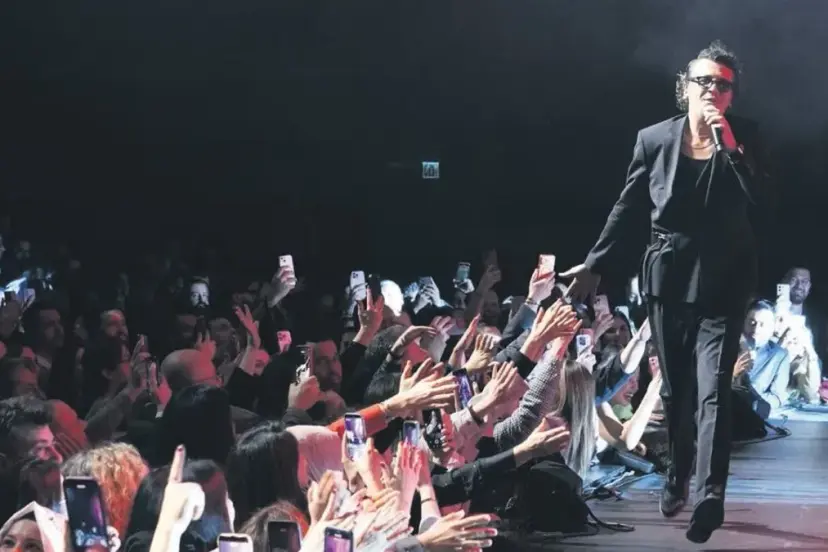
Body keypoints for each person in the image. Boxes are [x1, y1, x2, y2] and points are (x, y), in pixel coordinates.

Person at [561, 40, 772, 543]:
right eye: (704, 81)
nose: (712, 90)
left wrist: (733, 149)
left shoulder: (746, 137)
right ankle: (678, 473)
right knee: (677, 390)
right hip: (670, 278)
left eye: (723, 84)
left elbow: (763, 200)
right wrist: (595, 263)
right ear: (686, 88)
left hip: (724, 281)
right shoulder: (654, 140)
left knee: (713, 389)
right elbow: (628, 205)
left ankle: (710, 494)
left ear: (731, 96)